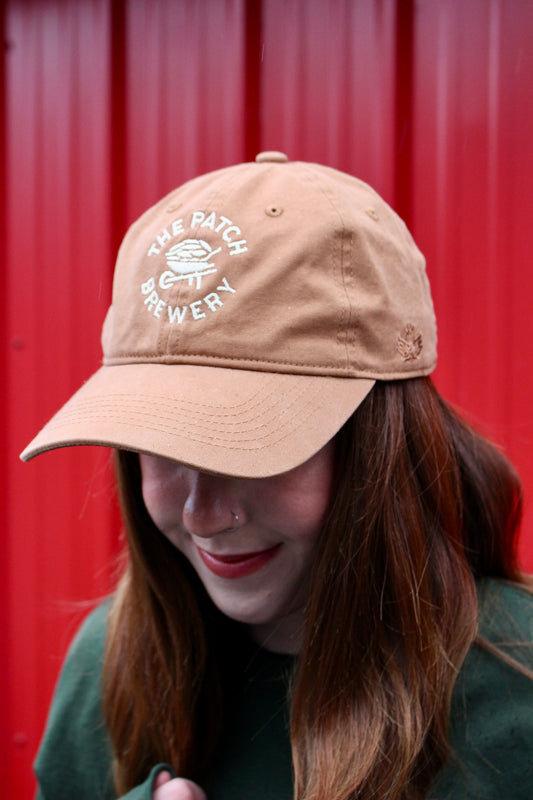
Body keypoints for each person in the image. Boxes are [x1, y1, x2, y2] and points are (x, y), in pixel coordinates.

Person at [22, 152, 533, 800]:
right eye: (160, 444)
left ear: (380, 444)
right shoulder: (114, 662)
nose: (202, 513)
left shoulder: (512, 691)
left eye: (247, 446)